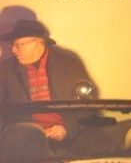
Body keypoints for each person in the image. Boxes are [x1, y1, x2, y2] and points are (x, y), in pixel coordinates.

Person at [1, 19, 98, 147]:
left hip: (69, 138)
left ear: (38, 42)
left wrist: (67, 129)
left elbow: (88, 104)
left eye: (19, 45)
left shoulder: (68, 64)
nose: (13, 50)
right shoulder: (6, 70)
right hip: (26, 141)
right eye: (12, 45)